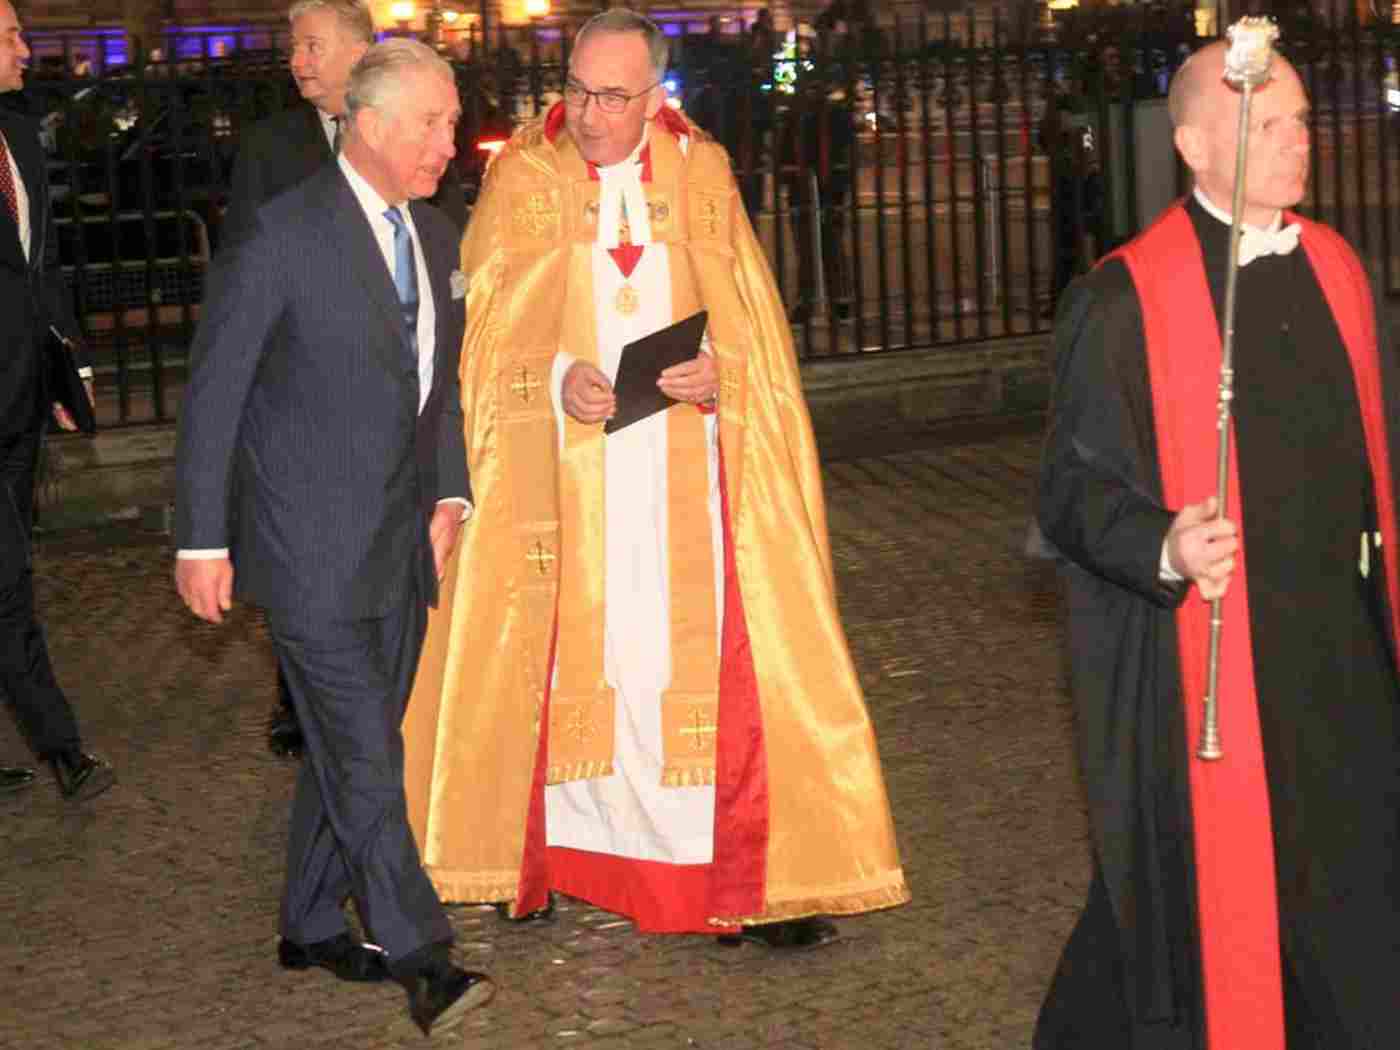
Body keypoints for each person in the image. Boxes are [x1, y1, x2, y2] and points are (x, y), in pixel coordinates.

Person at [401, 10, 908, 948]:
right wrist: (559, 380)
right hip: (567, 477)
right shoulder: (521, 175)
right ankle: (547, 855)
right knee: (572, 656)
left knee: (686, 662)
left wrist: (721, 373)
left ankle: (727, 880)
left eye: (612, 97)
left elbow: (752, 320)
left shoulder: (701, 171)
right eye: (578, 90)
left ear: (654, 96)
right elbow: (486, 334)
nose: (589, 114)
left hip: (687, 472)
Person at [1033, 41, 1400, 1049]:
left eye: (1298, 122)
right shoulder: (1119, 300)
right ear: (1193, 144)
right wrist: (1163, 543)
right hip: (1216, 664)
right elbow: (1068, 496)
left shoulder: (1336, 268)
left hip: (1343, 656)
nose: (1297, 144)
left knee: (1352, 880)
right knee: (1200, 911)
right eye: (1265, 125)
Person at [174, 40, 492, 1036]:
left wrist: (450, 500)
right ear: (373, 123)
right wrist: (199, 539)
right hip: (304, 549)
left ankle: (310, 921)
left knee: (347, 745)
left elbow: (437, 397)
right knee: (362, 753)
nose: (451, 140)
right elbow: (214, 399)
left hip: (402, 548)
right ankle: (421, 952)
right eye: (435, 122)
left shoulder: (439, 239)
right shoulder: (280, 236)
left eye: (449, 121)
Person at [221, 0, 467, 760]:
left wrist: (448, 484)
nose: (298, 60)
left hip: (395, 498)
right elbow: (235, 324)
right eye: (293, 46)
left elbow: (438, 340)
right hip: (310, 488)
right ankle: (295, 704)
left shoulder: (422, 176)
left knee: (362, 747)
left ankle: (321, 881)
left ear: (362, 54)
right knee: (358, 753)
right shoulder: (273, 154)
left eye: (313, 45)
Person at [0, 0, 114, 802]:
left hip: (20, 397)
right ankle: (61, 745)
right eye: (8, 35)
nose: (25, 49)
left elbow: (42, 269)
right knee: (8, 576)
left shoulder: (18, 140)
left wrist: (69, 366)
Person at [780, 76, 854, 323]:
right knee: (809, 245)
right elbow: (786, 152)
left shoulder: (833, 116)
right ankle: (813, 299)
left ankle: (836, 299)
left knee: (828, 243)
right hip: (807, 188)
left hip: (827, 187)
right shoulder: (798, 117)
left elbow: (846, 151)